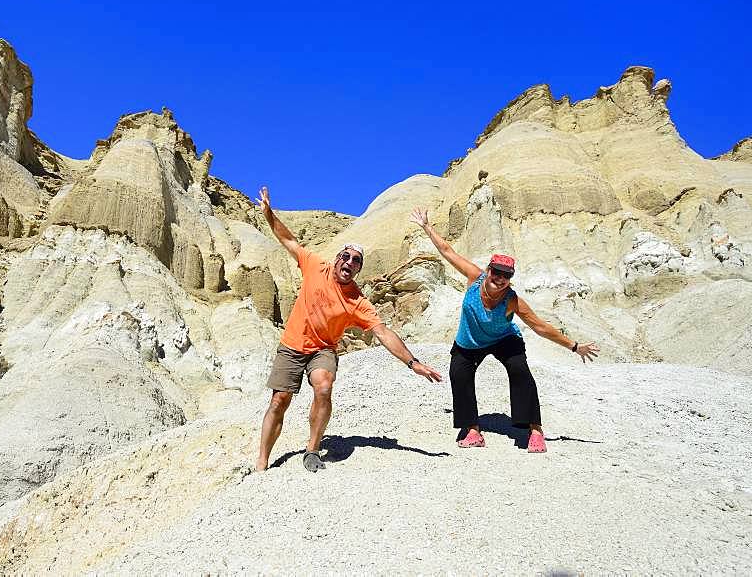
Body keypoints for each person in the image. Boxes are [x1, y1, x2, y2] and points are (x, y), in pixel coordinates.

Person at [255, 187, 442, 472]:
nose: (350, 262)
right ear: (338, 258)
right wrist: (269, 214)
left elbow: (383, 333)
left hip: (323, 349)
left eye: (356, 261)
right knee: (280, 400)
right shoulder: (316, 266)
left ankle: (313, 450)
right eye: (347, 256)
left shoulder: (357, 301)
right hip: (292, 345)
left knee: (324, 385)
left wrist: (412, 363)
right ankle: (261, 461)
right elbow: (288, 240)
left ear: (358, 270)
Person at [409, 207, 599, 453]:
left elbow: (540, 327)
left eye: (506, 275)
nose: (500, 278)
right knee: (459, 373)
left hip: (504, 339)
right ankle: (473, 430)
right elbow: (447, 251)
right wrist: (426, 226)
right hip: (469, 342)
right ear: (489, 270)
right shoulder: (474, 278)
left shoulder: (512, 300)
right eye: (496, 272)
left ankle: (535, 431)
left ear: (510, 278)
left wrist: (574, 346)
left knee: (520, 371)